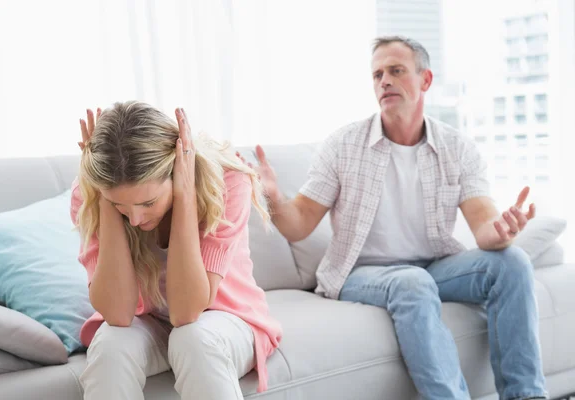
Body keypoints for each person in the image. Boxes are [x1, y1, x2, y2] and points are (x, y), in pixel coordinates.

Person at [241, 36, 547, 400]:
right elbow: (300, 223)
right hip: (360, 272)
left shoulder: (457, 147)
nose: (384, 81)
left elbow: (484, 225)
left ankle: (527, 395)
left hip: (435, 264)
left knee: (512, 262)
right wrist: (273, 197)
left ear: (426, 80)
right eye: (377, 74)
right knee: (411, 282)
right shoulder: (344, 144)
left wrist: (501, 232)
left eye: (396, 71)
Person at [71, 101, 282, 400]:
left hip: (226, 319)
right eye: (121, 206)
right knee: (110, 344)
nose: (135, 219)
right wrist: (103, 194)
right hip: (151, 324)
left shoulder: (228, 181)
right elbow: (118, 314)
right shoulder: (90, 195)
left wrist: (184, 195)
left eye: (147, 203)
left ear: (175, 170)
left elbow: (186, 312)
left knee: (193, 338)